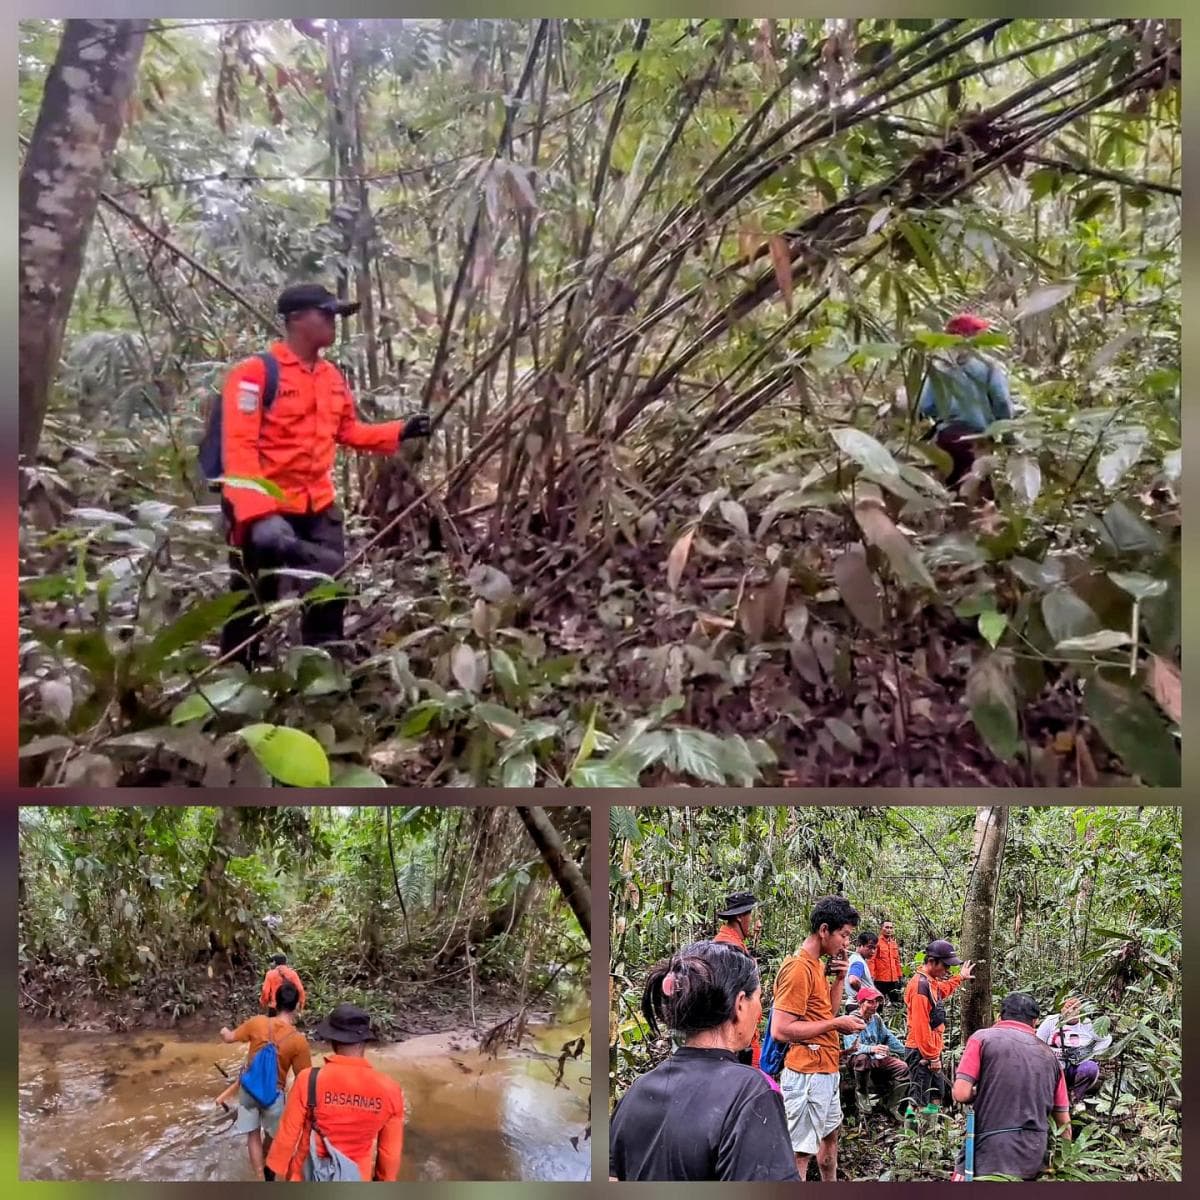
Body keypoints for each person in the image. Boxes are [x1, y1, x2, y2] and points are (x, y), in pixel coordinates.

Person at [218, 283, 432, 665]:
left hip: (318, 506)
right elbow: (239, 449)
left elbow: (349, 431)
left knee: (328, 589)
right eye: (326, 314)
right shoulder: (254, 375)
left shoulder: (332, 377)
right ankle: (234, 673)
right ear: (297, 319)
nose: (334, 322)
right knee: (253, 597)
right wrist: (258, 515)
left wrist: (399, 431)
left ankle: (322, 670)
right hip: (268, 509)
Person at [609, 940, 798, 1181]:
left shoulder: (637, 1090)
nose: (759, 1011)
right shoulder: (751, 1093)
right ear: (740, 1005)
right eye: (758, 998)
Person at [770, 896, 866, 1181]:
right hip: (806, 1074)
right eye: (844, 935)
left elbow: (825, 1013)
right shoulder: (798, 968)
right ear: (824, 930)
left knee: (829, 1140)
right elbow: (781, 1029)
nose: (846, 943)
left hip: (826, 1069)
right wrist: (837, 1024)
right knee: (800, 1153)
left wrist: (838, 980)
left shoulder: (816, 965)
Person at [266, 1002, 405, 1182]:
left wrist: (273, 1168)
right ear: (364, 1043)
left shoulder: (308, 1080)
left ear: (332, 1042)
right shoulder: (390, 1090)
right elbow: (389, 1154)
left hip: (307, 1174)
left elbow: (287, 1134)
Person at [951, 993, 1071, 1181]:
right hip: (1033, 1154)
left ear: (999, 1016)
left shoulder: (982, 1039)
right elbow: (1063, 1120)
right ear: (1035, 1022)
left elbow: (961, 1093)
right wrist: (1063, 1163)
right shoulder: (1050, 1056)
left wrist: (981, 1090)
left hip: (989, 1150)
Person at [219, 981, 311, 1180]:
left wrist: (224, 1031)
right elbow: (304, 1078)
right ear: (296, 1006)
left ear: (275, 1002)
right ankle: (269, 1168)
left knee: (252, 1134)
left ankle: (259, 1176)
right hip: (274, 1095)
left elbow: (230, 1037)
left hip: (249, 1089)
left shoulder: (257, 1022)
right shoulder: (298, 1041)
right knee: (272, 1135)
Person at [917, 312, 1012, 489]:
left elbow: (925, 405)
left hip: (946, 437)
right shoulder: (989, 366)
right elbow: (1001, 401)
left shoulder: (938, 367)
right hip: (978, 439)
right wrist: (1008, 435)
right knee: (977, 496)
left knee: (947, 492)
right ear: (971, 337)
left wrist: (948, 411)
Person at [903, 939, 975, 1112]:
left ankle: (931, 1131)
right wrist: (930, 1056)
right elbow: (921, 1027)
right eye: (945, 965)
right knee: (919, 1098)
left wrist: (960, 978)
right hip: (921, 1050)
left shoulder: (929, 982)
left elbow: (941, 991)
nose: (947, 970)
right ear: (931, 961)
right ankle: (914, 1136)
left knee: (936, 1093)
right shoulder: (920, 987)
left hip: (932, 1049)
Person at [712, 891, 763, 1067]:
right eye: (754, 917)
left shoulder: (734, 946)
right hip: (736, 1040)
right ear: (741, 917)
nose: (758, 924)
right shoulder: (728, 949)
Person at [841, 987, 909, 1119]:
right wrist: (872, 1049)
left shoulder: (876, 1019)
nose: (875, 1005)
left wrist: (906, 1052)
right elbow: (852, 1047)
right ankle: (862, 1093)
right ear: (861, 1003)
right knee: (862, 1058)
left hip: (877, 1058)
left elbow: (888, 1037)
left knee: (903, 1068)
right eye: (870, 1002)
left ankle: (892, 1105)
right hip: (857, 1059)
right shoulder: (851, 1019)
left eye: (877, 1002)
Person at [1036, 996, 1111, 1105]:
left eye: (1076, 1008)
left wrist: (1092, 1053)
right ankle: (1049, 1099)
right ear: (1062, 1008)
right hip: (1053, 1068)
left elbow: (1106, 1038)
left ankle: (1075, 1098)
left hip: (1076, 1068)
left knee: (1090, 1068)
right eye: (1068, 1007)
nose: (1071, 1011)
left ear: (1081, 1011)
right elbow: (1037, 1041)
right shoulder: (1051, 1021)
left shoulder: (1086, 1024)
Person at [844, 931, 878, 1010]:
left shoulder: (854, 958)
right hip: (859, 1006)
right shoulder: (858, 962)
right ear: (860, 945)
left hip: (857, 1005)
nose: (873, 951)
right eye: (869, 947)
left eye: (874, 948)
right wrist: (866, 994)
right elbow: (853, 980)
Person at [873, 920, 904, 1006]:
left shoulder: (893, 943)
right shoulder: (877, 943)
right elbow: (872, 960)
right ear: (881, 928)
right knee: (878, 1004)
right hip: (880, 979)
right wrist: (871, 976)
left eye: (891, 928)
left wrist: (899, 975)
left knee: (896, 1003)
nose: (889, 930)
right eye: (886, 927)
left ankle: (896, 1019)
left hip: (893, 979)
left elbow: (897, 961)